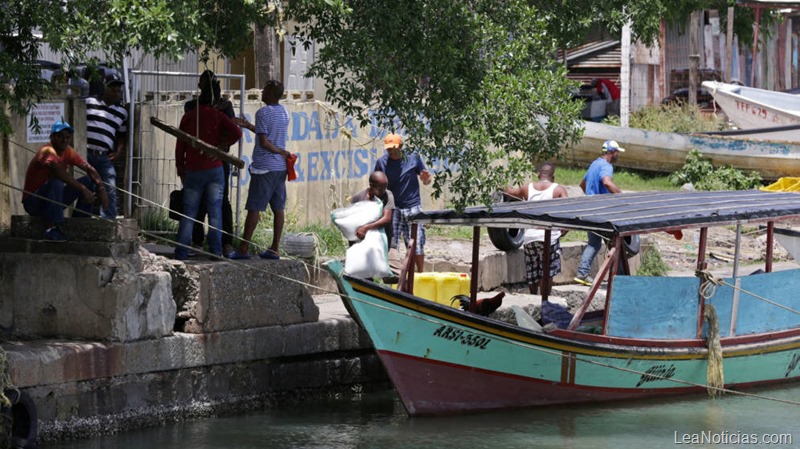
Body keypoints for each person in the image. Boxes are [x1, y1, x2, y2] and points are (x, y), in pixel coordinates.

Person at [174, 86, 242, 260]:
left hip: (193, 170)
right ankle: (216, 251)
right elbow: (237, 132)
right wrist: (221, 146)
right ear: (214, 100)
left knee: (188, 213)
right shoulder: (218, 115)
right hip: (214, 169)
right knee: (215, 212)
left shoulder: (189, 116)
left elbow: (180, 145)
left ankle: (181, 252)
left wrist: (180, 168)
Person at [227, 80, 291, 260]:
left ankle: (243, 249)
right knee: (279, 208)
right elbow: (267, 134)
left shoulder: (263, 112)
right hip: (280, 168)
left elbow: (264, 142)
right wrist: (248, 126)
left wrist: (280, 151)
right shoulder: (284, 112)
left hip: (264, 167)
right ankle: (274, 248)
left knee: (254, 208)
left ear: (271, 93)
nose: (261, 92)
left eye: (264, 90)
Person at [22, 121, 108, 241]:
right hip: (33, 203)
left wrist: (101, 188)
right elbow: (58, 172)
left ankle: (80, 222)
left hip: (52, 201)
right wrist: (83, 190)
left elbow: (89, 169)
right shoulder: (47, 150)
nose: (64, 140)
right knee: (56, 182)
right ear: (52, 137)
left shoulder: (68, 151)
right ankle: (52, 228)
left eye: (67, 137)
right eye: (60, 136)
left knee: (88, 181)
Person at [184, 70, 237, 255]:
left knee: (221, 203)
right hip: (198, 160)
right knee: (197, 203)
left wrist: (222, 148)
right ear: (201, 87)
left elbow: (233, 130)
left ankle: (225, 243)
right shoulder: (192, 106)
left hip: (219, 162)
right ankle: (197, 241)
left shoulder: (226, 106)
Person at [503, 162, 568, 296]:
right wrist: (563, 231)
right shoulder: (559, 190)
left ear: (538, 175)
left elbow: (510, 192)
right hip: (549, 237)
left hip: (530, 237)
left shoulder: (528, 188)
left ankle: (533, 297)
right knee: (547, 272)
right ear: (553, 176)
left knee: (532, 269)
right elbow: (567, 212)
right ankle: (545, 300)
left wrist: (501, 182)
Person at [374, 133, 432, 272]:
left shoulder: (413, 158)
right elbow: (376, 184)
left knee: (416, 244)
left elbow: (427, 180)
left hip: (413, 207)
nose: (392, 151)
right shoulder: (382, 163)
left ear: (401, 146)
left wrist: (426, 179)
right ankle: (396, 275)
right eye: (389, 149)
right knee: (392, 244)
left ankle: (420, 274)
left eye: (394, 148)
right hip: (393, 208)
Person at [574, 140, 624, 286]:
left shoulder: (594, 164)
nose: (618, 155)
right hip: (602, 211)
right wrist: (621, 197)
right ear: (611, 152)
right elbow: (607, 182)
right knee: (614, 243)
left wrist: (591, 197)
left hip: (590, 209)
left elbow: (582, 184)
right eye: (617, 152)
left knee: (594, 243)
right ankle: (619, 276)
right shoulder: (606, 166)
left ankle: (583, 273)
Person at [86, 72, 128, 219]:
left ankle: (109, 220)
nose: (116, 93)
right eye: (113, 89)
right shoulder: (89, 102)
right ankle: (82, 216)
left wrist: (118, 152)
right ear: (105, 88)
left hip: (104, 155)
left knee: (110, 186)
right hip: (85, 153)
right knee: (86, 185)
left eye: (118, 90)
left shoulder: (122, 112)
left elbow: (122, 135)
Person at [349, 171, 402, 276]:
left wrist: (366, 227)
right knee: (362, 276)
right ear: (371, 185)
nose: (383, 191)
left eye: (385, 188)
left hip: (386, 243)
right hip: (366, 246)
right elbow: (353, 226)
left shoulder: (388, 195)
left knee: (398, 275)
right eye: (380, 189)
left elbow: (387, 219)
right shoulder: (358, 199)